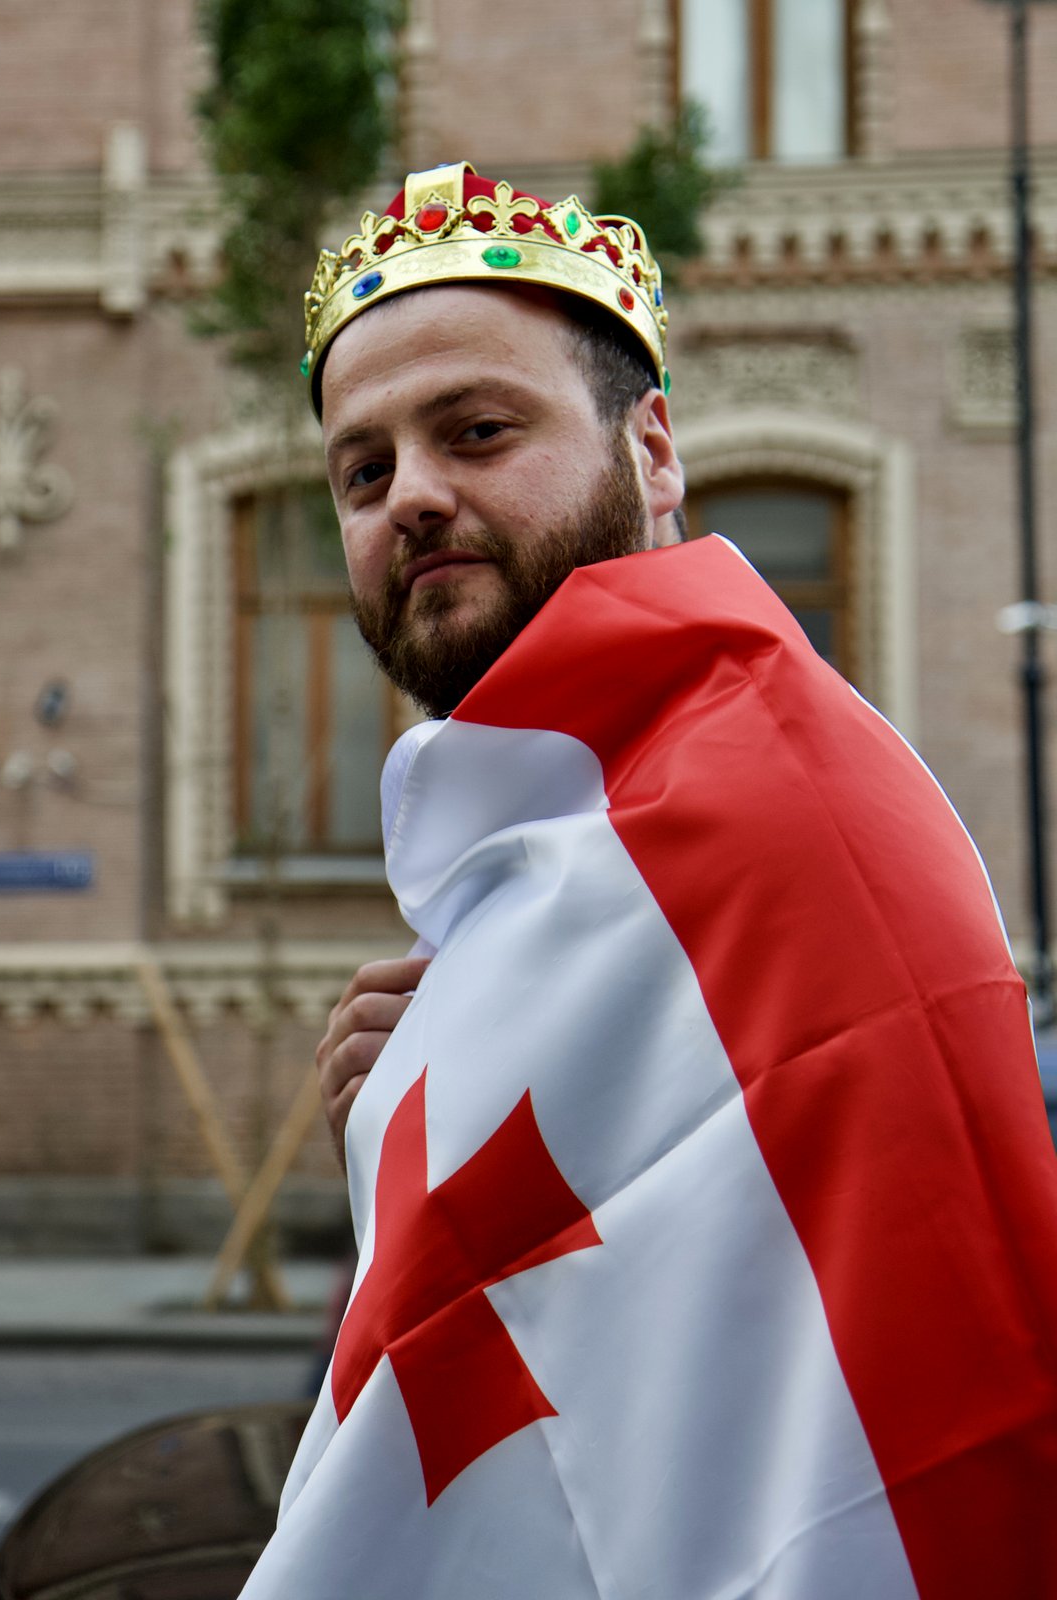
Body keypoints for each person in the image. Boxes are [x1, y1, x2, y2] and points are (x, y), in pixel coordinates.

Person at [239, 163, 1057, 1600]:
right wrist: (429, 1096)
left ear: (654, 452)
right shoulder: (557, 834)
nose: (412, 495)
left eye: (478, 431)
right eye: (363, 473)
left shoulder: (777, 799)